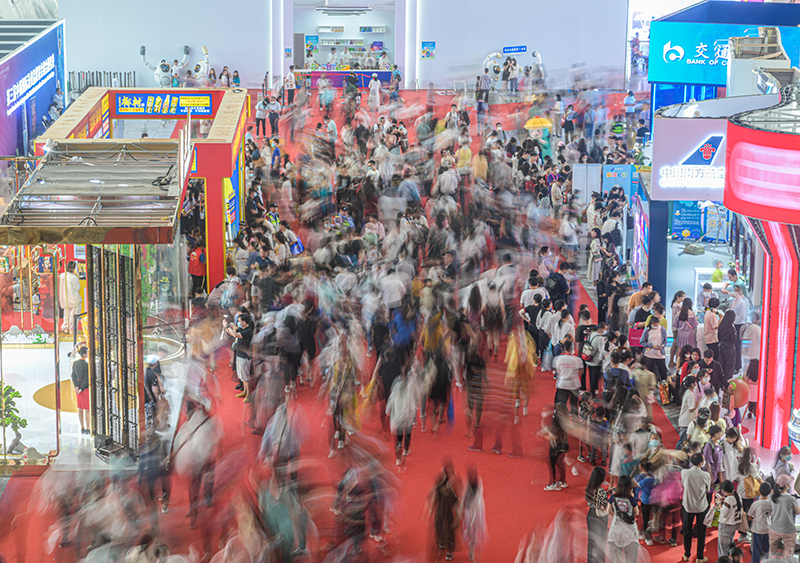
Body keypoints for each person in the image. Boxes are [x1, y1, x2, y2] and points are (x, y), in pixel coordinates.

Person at [682, 452, 712, 562]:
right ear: (701, 463)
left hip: (688, 505)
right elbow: (708, 489)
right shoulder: (705, 475)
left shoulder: (684, 472)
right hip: (701, 507)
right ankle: (699, 556)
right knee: (701, 532)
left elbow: (683, 484)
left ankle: (686, 554)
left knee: (687, 530)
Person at [428, 460, 459, 561]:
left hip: (450, 509)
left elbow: (458, 498)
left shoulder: (455, 482)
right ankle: (441, 543)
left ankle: (450, 551)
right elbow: (435, 494)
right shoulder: (440, 479)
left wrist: (458, 515)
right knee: (439, 525)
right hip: (441, 507)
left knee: (450, 529)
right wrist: (431, 510)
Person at [606, 475, 639, 563]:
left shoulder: (613, 497)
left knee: (615, 560)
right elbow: (637, 513)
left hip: (616, 531)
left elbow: (608, 510)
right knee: (631, 560)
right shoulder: (631, 499)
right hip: (630, 532)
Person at [459, 466, 487, 562]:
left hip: (477, 512)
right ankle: (471, 551)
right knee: (470, 533)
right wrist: (461, 509)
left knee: (475, 535)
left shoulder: (479, 481)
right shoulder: (467, 483)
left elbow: (477, 498)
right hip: (469, 512)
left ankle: (472, 554)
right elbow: (464, 497)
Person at [769, 474, 799, 560]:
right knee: (788, 553)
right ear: (786, 486)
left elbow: (771, 511)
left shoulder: (772, 496)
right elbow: (797, 512)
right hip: (788, 530)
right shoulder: (790, 499)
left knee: (773, 551)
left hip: (775, 528)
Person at [542, 406, 570, 491]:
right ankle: (562, 481)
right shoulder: (565, 421)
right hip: (564, 445)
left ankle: (553, 483)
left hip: (556, 448)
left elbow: (554, 436)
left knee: (551, 464)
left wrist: (544, 434)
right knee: (560, 463)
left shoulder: (556, 422)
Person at [585, 466, 608, 563]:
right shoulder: (601, 491)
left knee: (592, 541)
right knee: (601, 541)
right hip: (600, 518)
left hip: (591, 514)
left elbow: (594, 500)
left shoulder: (590, 487)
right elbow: (603, 506)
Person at [748, 482, 773, 563]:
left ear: (759, 490)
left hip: (757, 530)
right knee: (767, 550)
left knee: (756, 551)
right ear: (770, 492)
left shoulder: (756, 504)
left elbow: (749, 516)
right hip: (768, 529)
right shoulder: (771, 503)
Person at [717, 480, 743, 558]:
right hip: (733, 524)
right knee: (729, 544)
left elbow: (724, 513)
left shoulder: (729, 500)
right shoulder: (737, 495)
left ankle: (723, 560)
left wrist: (720, 504)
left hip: (726, 525)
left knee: (723, 548)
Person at [70, 346, 90, 435]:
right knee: (87, 409)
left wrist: (77, 387)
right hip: (84, 389)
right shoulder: (87, 365)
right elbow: (87, 379)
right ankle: (88, 427)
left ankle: (82, 427)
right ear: (84, 354)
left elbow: (73, 376)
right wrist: (81, 388)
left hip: (78, 388)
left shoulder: (75, 363)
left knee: (80, 408)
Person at [59, 260, 82, 333]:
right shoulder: (73, 278)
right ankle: (72, 331)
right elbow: (77, 288)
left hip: (65, 299)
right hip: (74, 299)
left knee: (66, 316)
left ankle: (65, 329)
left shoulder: (62, 275)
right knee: (73, 317)